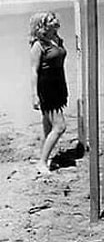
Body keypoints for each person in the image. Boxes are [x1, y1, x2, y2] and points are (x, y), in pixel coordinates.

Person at [29, 12, 68, 173]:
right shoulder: (39, 45)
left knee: (48, 125)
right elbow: (34, 70)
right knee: (59, 127)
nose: (55, 21)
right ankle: (42, 163)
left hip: (59, 83)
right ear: (42, 26)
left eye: (54, 18)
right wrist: (34, 95)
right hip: (46, 87)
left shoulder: (57, 39)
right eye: (50, 20)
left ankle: (43, 157)